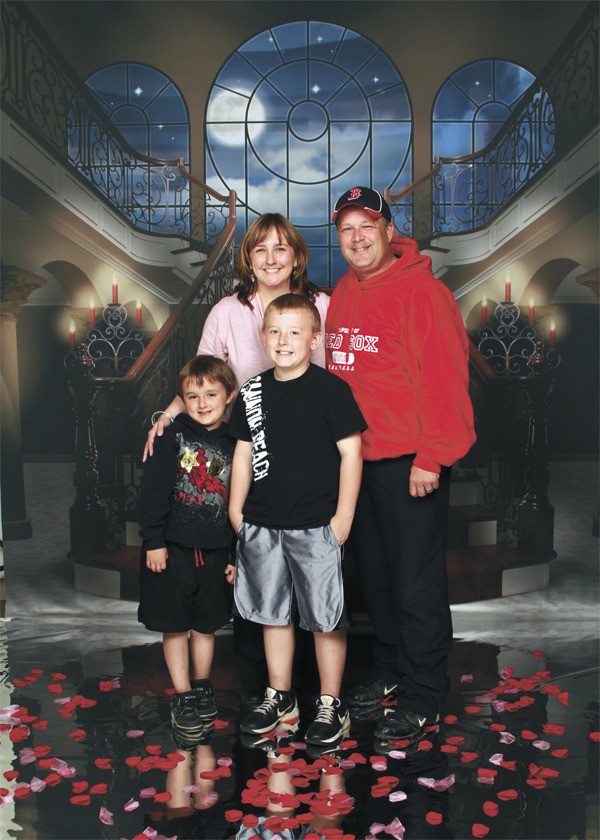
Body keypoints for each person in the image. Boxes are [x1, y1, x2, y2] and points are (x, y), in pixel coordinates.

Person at [143, 214, 330, 707]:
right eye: (260, 249)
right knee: (255, 573)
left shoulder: (322, 306)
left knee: (311, 579)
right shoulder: (227, 311)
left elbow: (333, 379)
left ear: (296, 256)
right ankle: (263, 689)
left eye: (280, 248)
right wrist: (166, 415)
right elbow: (202, 379)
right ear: (248, 258)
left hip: (307, 455)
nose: (270, 258)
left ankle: (310, 689)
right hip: (245, 450)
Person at [325, 186, 476, 744]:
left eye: (369, 225)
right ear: (338, 236)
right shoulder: (343, 289)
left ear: (390, 231)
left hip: (412, 461)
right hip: (358, 462)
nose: (358, 237)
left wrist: (432, 456)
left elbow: (444, 381)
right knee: (377, 582)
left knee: (416, 585)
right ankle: (390, 673)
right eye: (347, 229)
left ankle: (423, 692)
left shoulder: (425, 293)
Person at [228, 294, 365, 747]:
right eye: (274, 331)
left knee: (326, 618)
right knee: (272, 614)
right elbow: (244, 452)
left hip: (317, 523)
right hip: (263, 522)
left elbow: (351, 454)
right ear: (263, 337)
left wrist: (343, 515)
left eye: (294, 332)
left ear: (314, 338)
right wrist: (236, 507)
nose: (283, 341)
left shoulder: (332, 390)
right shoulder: (251, 391)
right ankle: (280, 697)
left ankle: (330, 703)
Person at [138, 355, 237, 750]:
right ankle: (182, 696)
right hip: (173, 549)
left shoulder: (235, 444)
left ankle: (201, 688)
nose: (202, 403)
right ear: (182, 399)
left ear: (229, 395)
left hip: (215, 552)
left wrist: (234, 555)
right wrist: (154, 540)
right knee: (175, 624)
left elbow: (239, 505)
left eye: (211, 394)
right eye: (192, 396)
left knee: (207, 625)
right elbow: (152, 493)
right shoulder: (170, 435)